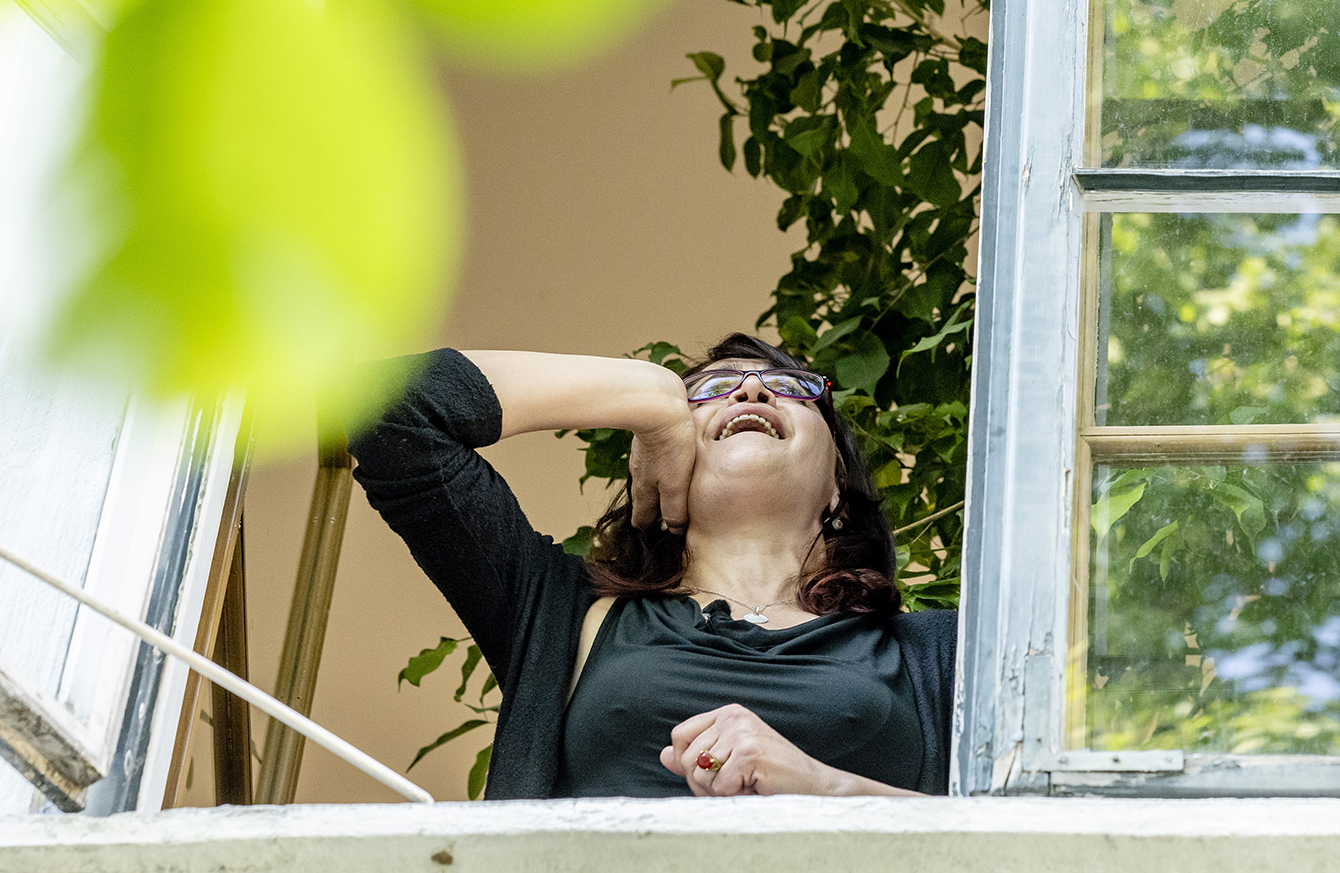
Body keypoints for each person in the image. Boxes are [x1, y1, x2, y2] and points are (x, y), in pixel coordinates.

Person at [348, 335, 954, 798]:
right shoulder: (558, 610)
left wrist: (827, 790)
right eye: (711, 391)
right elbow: (391, 412)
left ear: (837, 486)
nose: (751, 391)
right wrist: (651, 393)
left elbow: (1036, 836)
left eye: (791, 388)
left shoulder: (943, 651)